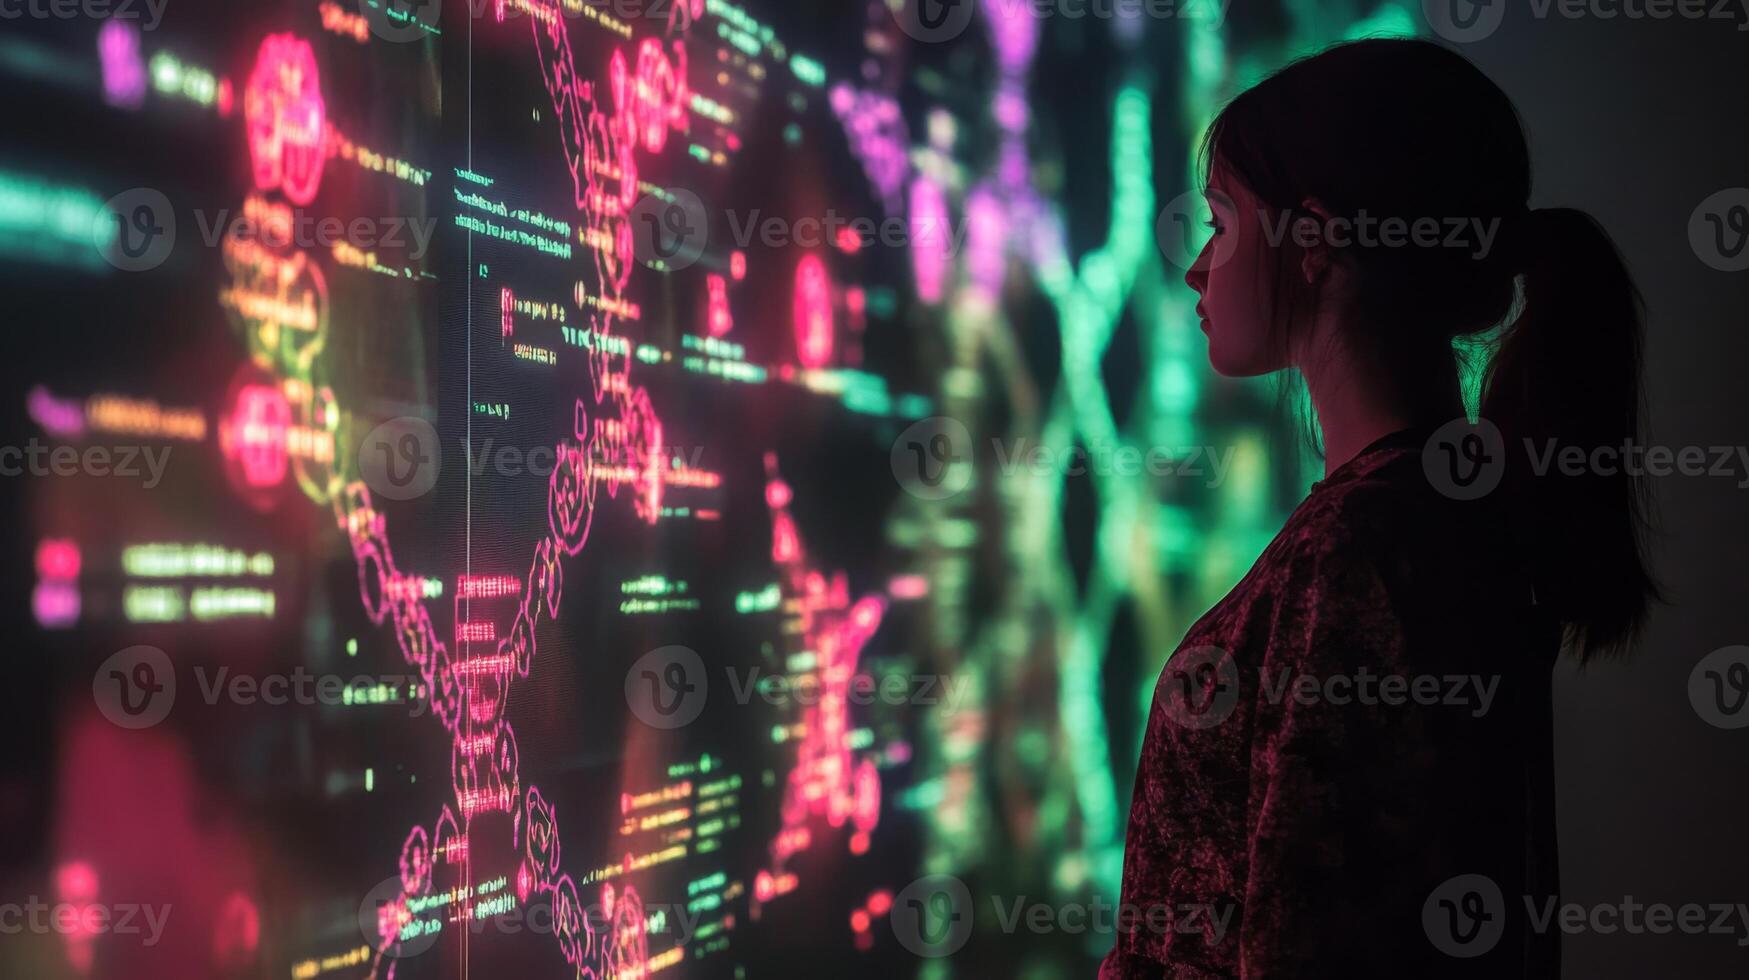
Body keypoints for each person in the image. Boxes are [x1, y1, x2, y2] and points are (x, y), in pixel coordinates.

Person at [1101, 37, 1657, 978]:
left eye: (1222, 221)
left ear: (1313, 241)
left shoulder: (1360, 552)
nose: (1197, 268)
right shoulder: (1433, 519)